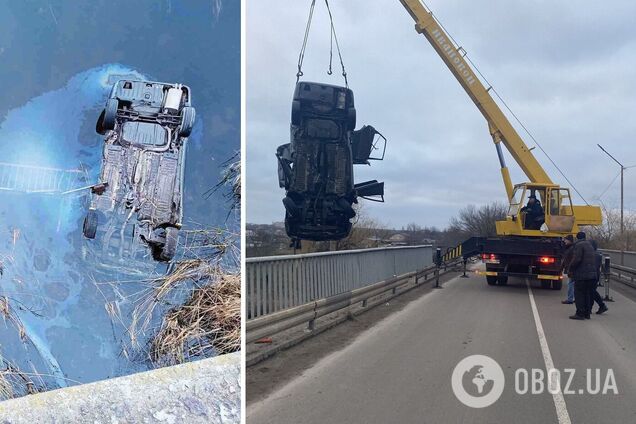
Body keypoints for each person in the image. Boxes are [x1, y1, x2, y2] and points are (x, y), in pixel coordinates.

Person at [567, 231, 597, 320]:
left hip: (582, 274)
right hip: (592, 274)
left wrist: (570, 268)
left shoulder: (579, 245)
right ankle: (587, 314)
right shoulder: (589, 245)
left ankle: (580, 314)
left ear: (577, 238)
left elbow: (577, 259)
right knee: (587, 294)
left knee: (579, 294)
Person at [590, 240, 609, 315]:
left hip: (591, 275)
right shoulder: (598, 255)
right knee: (592, 291)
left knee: (591, 292)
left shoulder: (592, 255)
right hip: (596, 275)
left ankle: (601, 305)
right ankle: (601, 306)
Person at [561, 235, 575, 304]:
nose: (564, 241)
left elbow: (570, 260)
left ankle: (570, 299)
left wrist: (569, 268)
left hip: (571, 269)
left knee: (571, 283)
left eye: (565, 240)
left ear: (569, 240)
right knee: (572, 283)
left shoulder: (571, 249)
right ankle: (573, 298)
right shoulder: (570, 248)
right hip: (571, 268)